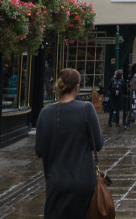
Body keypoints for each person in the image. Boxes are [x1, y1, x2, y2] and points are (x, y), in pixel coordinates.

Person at [35, 68, 103, 219]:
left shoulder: (45, 113)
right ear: (77, 87)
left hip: (56, 181)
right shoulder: (86, 109)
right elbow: (97, 144)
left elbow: (39, 150)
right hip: (83, 181)